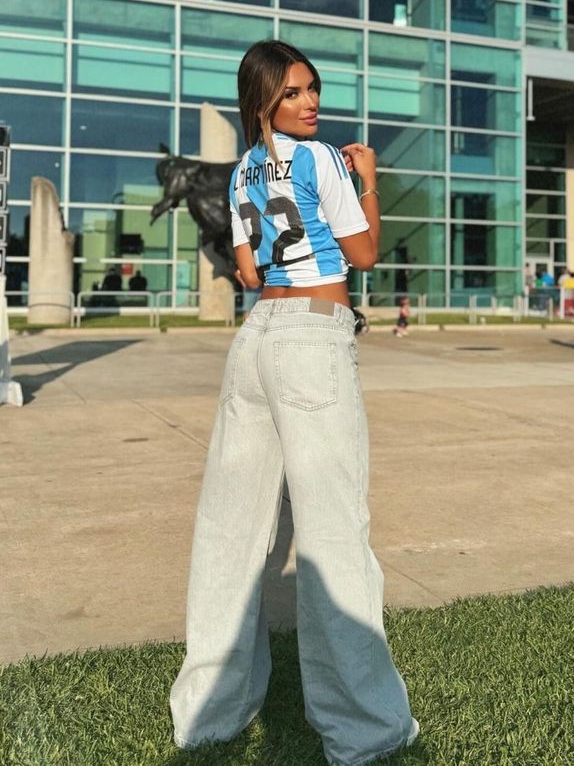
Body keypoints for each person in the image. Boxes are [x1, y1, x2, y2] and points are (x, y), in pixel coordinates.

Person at [169, 40, 417, 765]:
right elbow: (364, 256)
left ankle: (207, 714)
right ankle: (364, 730)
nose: (311, 103)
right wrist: (367, 180)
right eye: (294, 94)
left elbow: (246, 270)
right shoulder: (327, 159)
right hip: (310, 340)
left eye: (313, 90)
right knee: (333, 531)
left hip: (256, 342)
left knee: (229, 530)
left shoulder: (245, 168)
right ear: (264, 102)